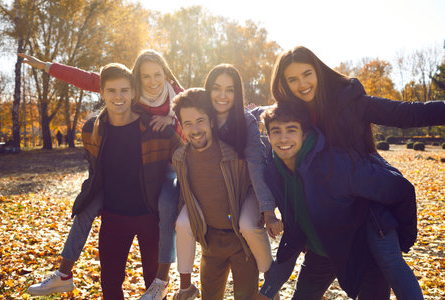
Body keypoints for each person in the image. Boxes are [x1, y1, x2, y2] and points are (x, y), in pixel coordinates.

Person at [267, 46, 445, 299]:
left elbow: (406, 112)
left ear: (318, 71)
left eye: (307, 74)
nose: (302, 84)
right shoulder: (293, 112)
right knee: (318, 274)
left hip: (367, 196)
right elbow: (260, 120)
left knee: (388, 259)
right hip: (331, 208)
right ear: (284, 83)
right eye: (292, 79)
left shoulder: (349, 100)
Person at [20, 50, 184, 299]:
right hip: (114, 214)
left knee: (167, 206)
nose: (152, 81)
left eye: (157, 75)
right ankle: (64, 273)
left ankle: (163, 278)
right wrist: (46, 66)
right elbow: (86, 78)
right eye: (146, 76)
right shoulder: (98, 124)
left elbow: (197, 118)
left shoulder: (171, 104)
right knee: (85, 209)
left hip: (155, 195)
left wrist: (171, 118)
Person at [254, 103, 419, 299]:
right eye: (276, 131)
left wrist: (405, 237)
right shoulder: (274, 171)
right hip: (320, 254)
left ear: (304, 134)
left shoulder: (333, 164)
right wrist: (268, 289)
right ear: (269, 136)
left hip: (361, 253)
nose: (283, 138)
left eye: (291, 130)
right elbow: (294, 229)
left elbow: (400, 189)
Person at [173, 64, 281, 299]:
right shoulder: (201, 113)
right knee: (182, 223)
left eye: (230, 89)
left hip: (248, 186)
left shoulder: (245, 121)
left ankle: (272, 277)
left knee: (247, 224)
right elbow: (182, 106)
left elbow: (255, 165)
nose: (222, 95)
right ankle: (185, 284)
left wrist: (267, 209)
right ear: (208, 90)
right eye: (216, 88)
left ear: (237, 92)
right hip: (215, 200)